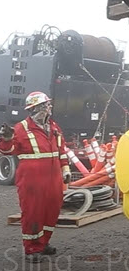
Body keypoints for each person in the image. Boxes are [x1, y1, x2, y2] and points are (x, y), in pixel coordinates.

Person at [0, 91, 71, 263]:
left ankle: (43, 243)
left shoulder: (53, 127)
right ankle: (31, 248)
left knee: (51, 210)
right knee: (33, 212)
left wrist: (66, 169)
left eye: (48, 105)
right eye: (46, 105)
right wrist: (7, 138)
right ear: (36, 108)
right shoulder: (21, 128)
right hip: (32, 180)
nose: (49, 108)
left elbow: (61, 150)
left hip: (53, 179)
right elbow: (8, 151)